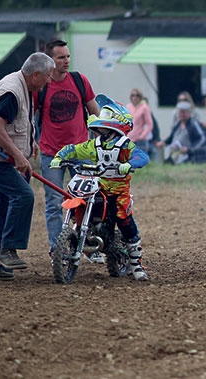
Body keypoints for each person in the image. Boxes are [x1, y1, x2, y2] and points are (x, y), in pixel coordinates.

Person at [0, 52, 54, 280]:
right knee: (24, 196)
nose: (49, 81)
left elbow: (20, 120)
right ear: (35, 74)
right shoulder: (12, 92)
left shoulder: (24, 86)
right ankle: (7, 248)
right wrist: (19, 156)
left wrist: (30, 141)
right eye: (47, 76)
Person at [50, 97, 151, 280]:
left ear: (116, 124)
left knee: (124, 219)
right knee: (83, 200)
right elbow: (75, 149)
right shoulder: (95, 144)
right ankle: (82, 231)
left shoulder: (125, 145)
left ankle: (137, 265)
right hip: (100, 187)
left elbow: (142, 156)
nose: (100, 129)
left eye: (104, 124)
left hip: (119, 191)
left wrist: (129, 164)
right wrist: (60, 156)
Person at [36, 40, 101, 253]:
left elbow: (95, 112)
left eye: (68, 56)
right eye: (61, 57)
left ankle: (86, 242)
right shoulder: (42, 87)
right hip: (51, 153)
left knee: (86, 199)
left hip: (80, 151)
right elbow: (29, 117)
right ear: (50, 61)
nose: (66, 61)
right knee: (54, 203)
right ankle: (58, 249)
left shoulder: (80, 80)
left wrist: (106, 139)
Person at [126, 88, 155, 159]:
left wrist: (142, 135)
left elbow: (150, 124)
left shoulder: (144, 107)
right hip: (129, 139)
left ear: (140, 97)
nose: (135, 98)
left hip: (140, 140)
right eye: (133, 95)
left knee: (140, 160)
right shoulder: (128, 107)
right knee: (129, 161)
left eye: (137, 95)